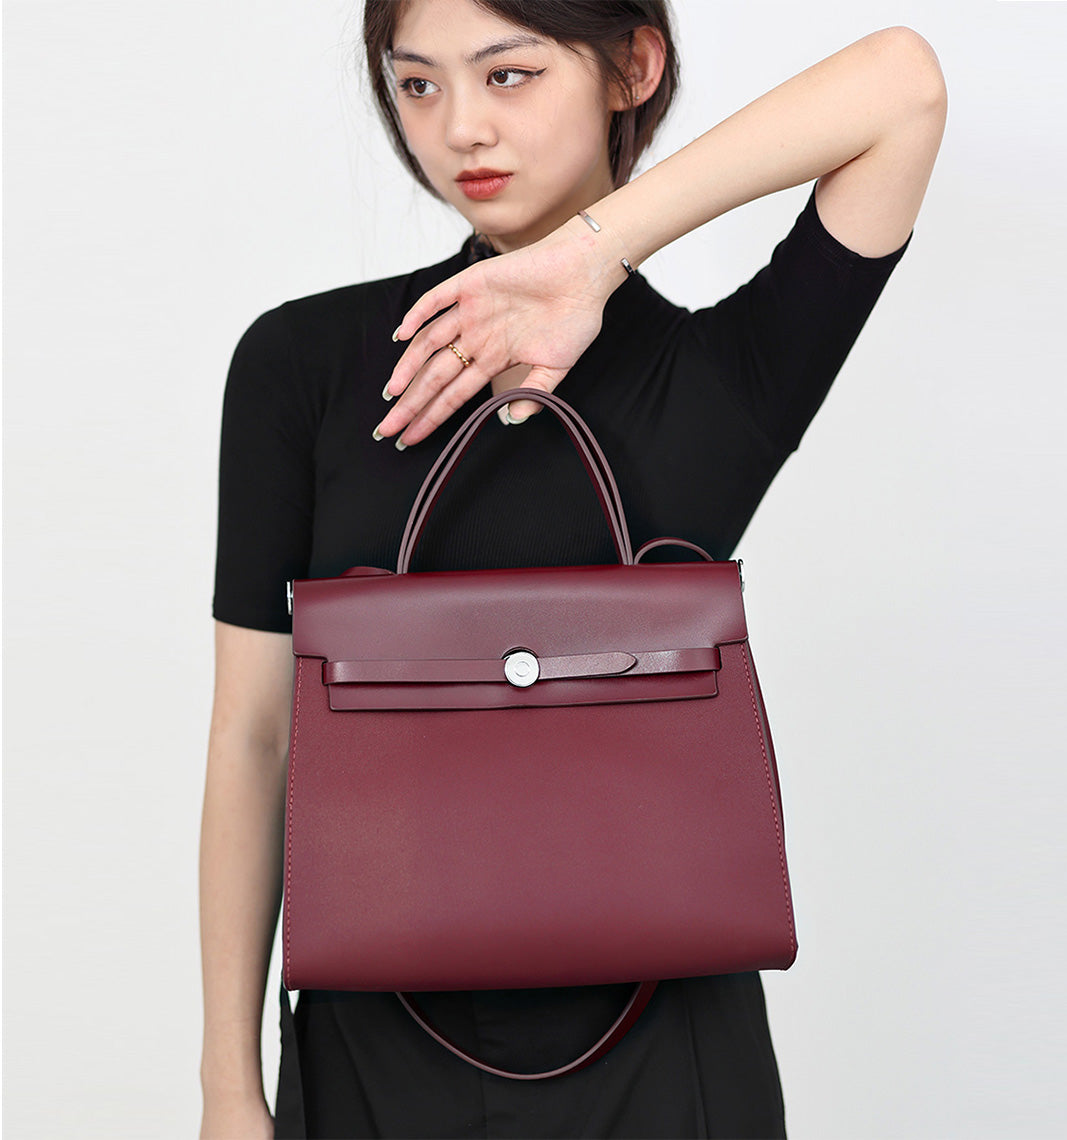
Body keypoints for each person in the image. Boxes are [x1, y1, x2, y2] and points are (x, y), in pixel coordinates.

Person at [198, 1, 947, 1136]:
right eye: (418, 83)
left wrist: (592, 256)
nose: (459, 128)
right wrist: (227, 1086)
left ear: (631, 64)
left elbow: (903, 87)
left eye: (509, 75)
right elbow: (254, 737)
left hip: (669, 1063)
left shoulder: (722, 377)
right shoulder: (302, 365)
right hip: (370, 1060)